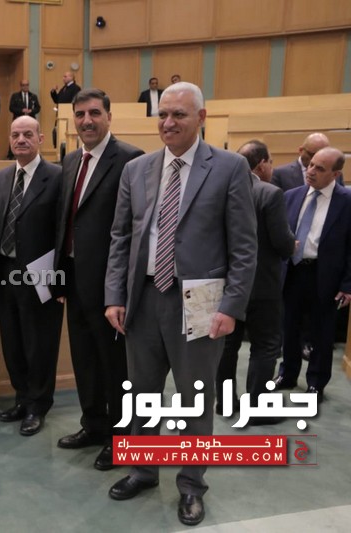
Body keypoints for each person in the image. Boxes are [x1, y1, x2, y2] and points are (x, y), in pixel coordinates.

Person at [104, 82, 257, 526]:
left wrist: (231, 306)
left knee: (195, 398)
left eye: (179, 115)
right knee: (143, 393)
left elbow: (244, 246)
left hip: (201, 303)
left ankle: (191, 484)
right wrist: (114, 295)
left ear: (201, 117)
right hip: (144, 298)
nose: (168, 123)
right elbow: (121, 237)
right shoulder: (137, 169)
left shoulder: (229, 168)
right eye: (163, 115)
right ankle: (143, 470)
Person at [55, 89, 144, 469]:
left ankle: (120, 438)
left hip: (110, 286)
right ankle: (93, 425)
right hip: (74, 280)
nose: (86, 120)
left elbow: (135, 229)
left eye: (94, 113)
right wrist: (59, 277)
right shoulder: (70, 160)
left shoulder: (131, 159)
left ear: (109, 116)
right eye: (80, 114)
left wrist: (119, 290)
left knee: (114, 367)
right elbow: (66, 222)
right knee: (84, 360)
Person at [0, 116, 63, 436]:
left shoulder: (57, 177)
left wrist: (60, 279)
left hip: (41, 275)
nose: (21, 139)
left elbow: (63, 232)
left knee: (40, 344)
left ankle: (38, 405)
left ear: (40, 139)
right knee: (13, 342)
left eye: (27, 134)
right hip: (5, 272)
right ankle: (21, 397)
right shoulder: (2, 177)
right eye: (15, 134)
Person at [216, 140, 294, 423]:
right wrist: (292, 244)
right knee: (265, 346)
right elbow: (282, 242)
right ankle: (257, 409)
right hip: (262, 285)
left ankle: (224, 403)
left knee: (227, 347)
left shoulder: (221, 190)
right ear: (261, 164)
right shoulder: (270, 193)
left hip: (227, 284)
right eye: (270, 162)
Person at [274, 147, 351, 403]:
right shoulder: (291, 196)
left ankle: (316, 383)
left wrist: (348, 285)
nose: (311, 171)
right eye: (311, 165)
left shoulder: (346, 201)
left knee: (322, 332)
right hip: (293, 271)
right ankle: (287, 374)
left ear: (335, 174)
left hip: (325, 275)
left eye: (320, 168)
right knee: (289, 327)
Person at [272, 133, 344, 191]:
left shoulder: (334, 174)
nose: (317, 159)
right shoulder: (280, 174)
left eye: (323, 155)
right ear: (301, 150)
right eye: (312, 154)